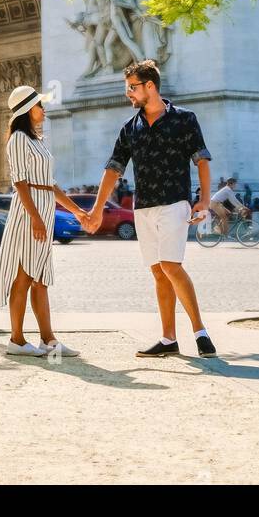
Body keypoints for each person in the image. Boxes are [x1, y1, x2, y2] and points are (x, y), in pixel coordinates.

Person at [80, 59, 216, 358]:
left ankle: (200, 332)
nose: (128, 94)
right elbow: (112, 170)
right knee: (157, 272)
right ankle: (168, 338)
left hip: (174, 202)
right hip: (143, 208)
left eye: (132, 88)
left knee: (170, 265)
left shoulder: (185, 119)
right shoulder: (130, 128)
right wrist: (98, 209)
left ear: (150, 86)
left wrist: (204, 200)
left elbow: (202, 160)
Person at [0, 84, 83, 357]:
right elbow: (19, 182)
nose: (43, 109)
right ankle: (17, 340)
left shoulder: (36, 140)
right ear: (29, 109)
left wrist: (77, 211)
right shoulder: (19, 139)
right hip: (28, 211)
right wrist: (35, 219)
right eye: (40, 105)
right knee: (23, 276)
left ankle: (49, 340)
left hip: (43, 207)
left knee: (40, 278)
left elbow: (50, 185)